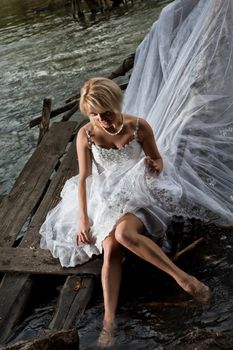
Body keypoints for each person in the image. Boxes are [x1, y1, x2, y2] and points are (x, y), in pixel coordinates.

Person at [40, 77, 211, 347]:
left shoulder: (138, 127)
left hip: (139, 192)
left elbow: (157, 159)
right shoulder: (86, 134)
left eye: (106, 113)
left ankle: (185, 280)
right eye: (94, 115)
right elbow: (84, 177)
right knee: (111, 248)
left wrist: (155, 164)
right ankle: (109, 321)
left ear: (115, 105)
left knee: (124, 234)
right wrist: (83, 218)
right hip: (106, 195)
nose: (101, 120)